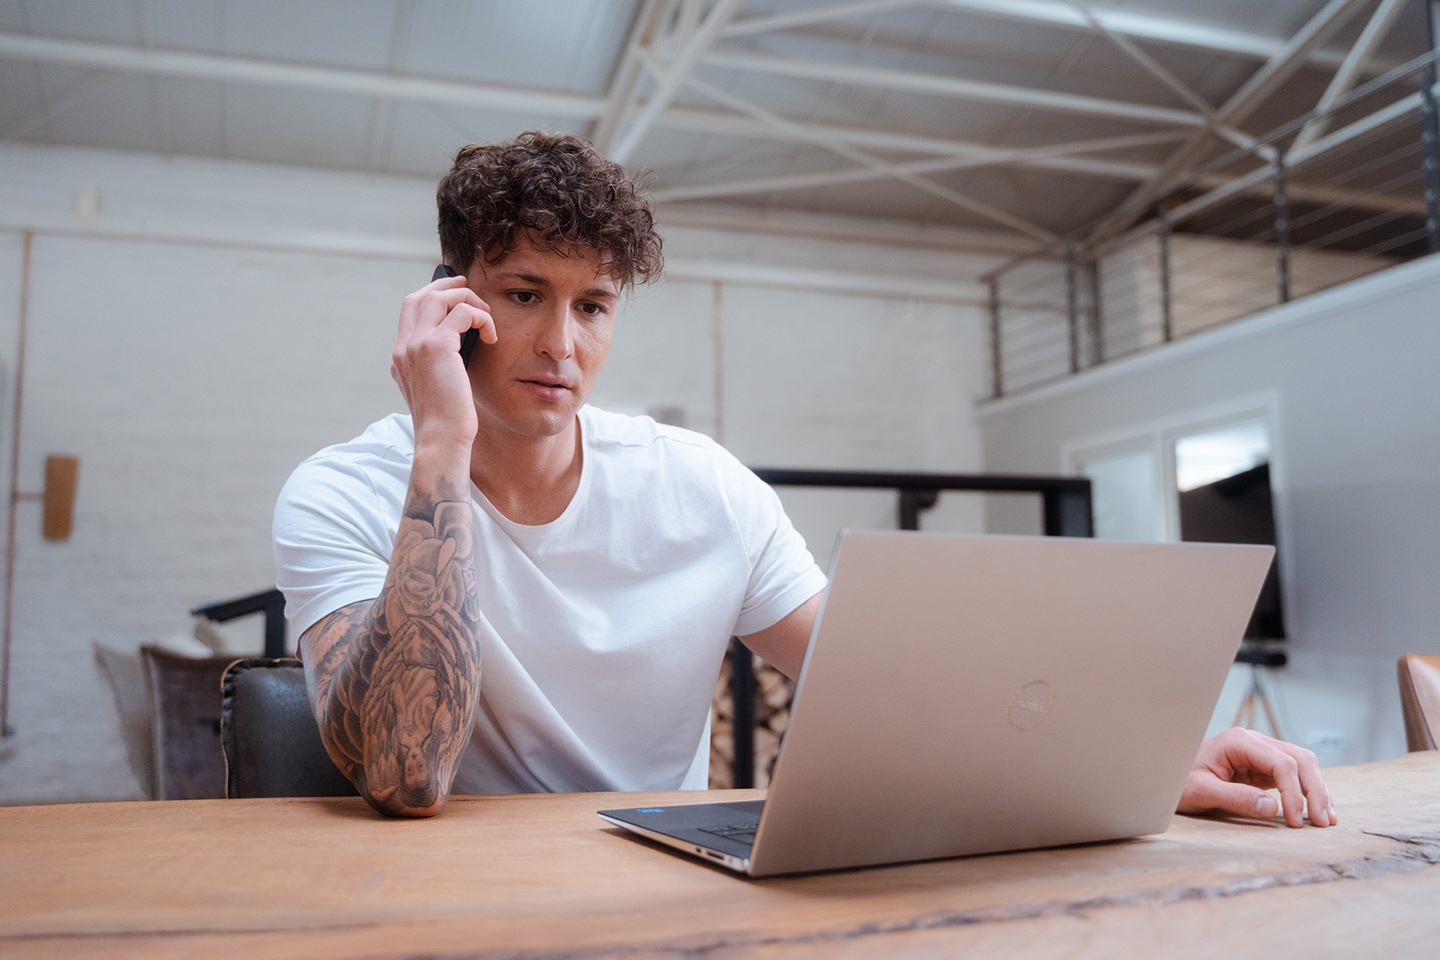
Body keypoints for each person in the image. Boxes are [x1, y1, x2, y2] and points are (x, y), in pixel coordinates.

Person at [273, 131, 1337, 830]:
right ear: (453, 304)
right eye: (523, 293)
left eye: (593, 306)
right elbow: (405, 774)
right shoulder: (343, 492)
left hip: (657, 897)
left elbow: (901, 690)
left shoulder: (701, 489)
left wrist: (1151, 761)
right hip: (445, 898)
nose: (561, 342)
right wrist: (441, 448)